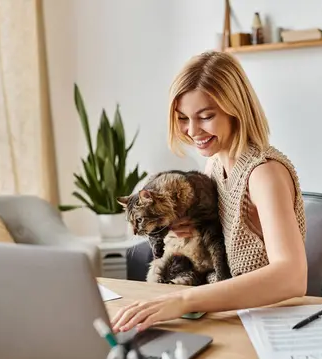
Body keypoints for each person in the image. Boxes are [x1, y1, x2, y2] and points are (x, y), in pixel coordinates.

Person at [111, 51, 307, 333]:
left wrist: (185, 300)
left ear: (235, 109)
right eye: (182, 118)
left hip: (269, 326)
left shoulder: (264, 173)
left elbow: (293, 276)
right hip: (227, 319)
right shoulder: (214, 164)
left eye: (205, 116)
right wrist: (178, 228)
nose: (192, 131)